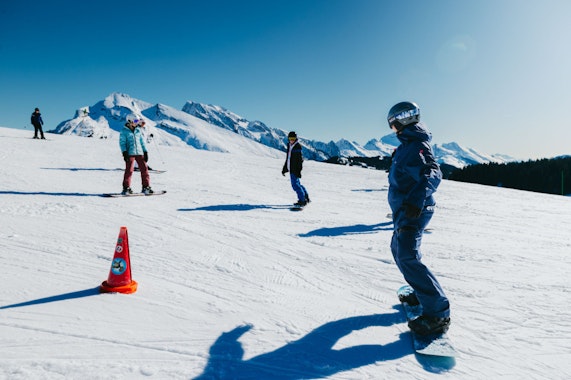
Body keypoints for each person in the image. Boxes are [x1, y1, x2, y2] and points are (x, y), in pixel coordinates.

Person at [386, 101, 450, 335]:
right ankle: (421, 292)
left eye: (392, 125)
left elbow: (432, 173)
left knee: (407, 255)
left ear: (399, 122)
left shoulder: (416, 144)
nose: (392, 130)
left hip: (415, 209)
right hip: (405, 209)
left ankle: (438, 314)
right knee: (398, 250)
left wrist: (415, 201)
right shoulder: (409, 143)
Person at [119, 114, 153, 195]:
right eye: (135, 121)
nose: (137, 123)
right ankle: (126, 188)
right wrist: (124, 152)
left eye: (137, 121)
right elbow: (122, 143)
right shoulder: (124, 131)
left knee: (145, 170)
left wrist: (145, 152)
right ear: (130, 121)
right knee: (129, 171)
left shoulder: (138, 130)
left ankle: (146, 187)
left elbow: (141, 142)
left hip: (140, 152)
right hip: (130, 153)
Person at [282, 131, 310, 206]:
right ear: (288, 138)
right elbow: (288, 158)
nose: (292, 140)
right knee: (298, 184)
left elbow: (300, 160)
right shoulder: (289, 145)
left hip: (294, 169)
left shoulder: (297, 146)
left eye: (293, 138)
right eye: (290, 138)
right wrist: (285, 169)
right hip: (291, 168)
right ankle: (305, 196)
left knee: (295, 185)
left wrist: (298, 171)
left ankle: (302, 200)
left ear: (296, 138)